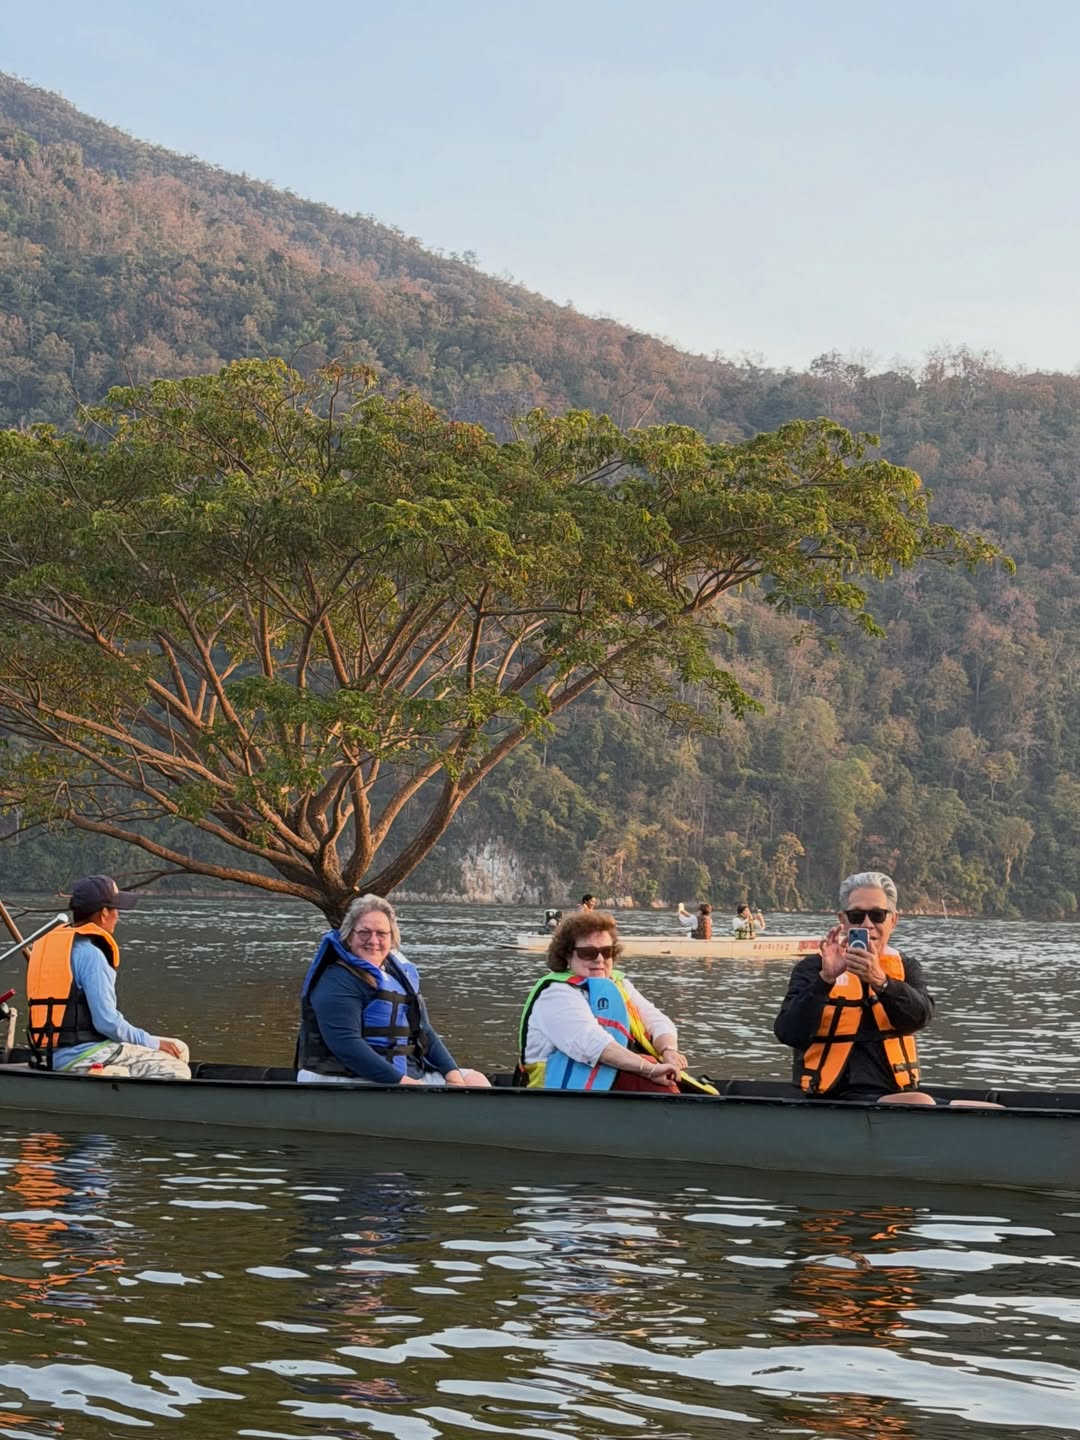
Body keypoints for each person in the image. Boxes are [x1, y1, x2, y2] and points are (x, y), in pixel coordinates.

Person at [773, 870, 937, 1105]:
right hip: (831, 1097)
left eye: (878, 915)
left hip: (895, 1096)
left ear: (893, 920)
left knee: (983, 1107)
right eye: (857, 916)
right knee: (921, 1102)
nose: (868, 924)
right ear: (843, 920)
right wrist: (825, 981)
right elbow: (789, 1032)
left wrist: (881, 981)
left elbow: (920, 1018)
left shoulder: (906, 967)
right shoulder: (813, 969)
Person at [297, 893, 490, 1087]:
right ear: (349, 936)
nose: (373, 941)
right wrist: (402, 1082)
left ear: (392, 938)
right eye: (364, 932)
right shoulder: (336, 979)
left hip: (399, 1074)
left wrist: (452, 1074)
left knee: (475, 1080)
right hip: (343, 1076)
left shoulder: (398, 975)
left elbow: (425, 1031)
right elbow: (346, 1044)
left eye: (381, 934)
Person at [25, 874, 190, 1079]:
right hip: (85, 1055)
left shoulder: (54, 947)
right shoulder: (91, 955)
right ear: (103, 913)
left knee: (179, 1048)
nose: (118, 917)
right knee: (177, 1070)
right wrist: (153, 1043)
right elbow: (107, 1023)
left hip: (51, 1054)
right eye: (115, 910)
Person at [518, 909, 686, 1092]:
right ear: (567, 955)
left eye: (607, 952)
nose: (599, 959)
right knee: (653, 1080)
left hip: (610, 1085)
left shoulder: (619, 984)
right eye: (588, 953)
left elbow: (657, 1021)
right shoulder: (556, 994)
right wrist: (650, 1070)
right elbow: (592, 1044)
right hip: (556, 1098)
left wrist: (669, 1051)